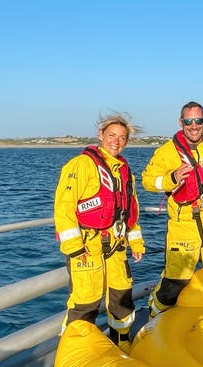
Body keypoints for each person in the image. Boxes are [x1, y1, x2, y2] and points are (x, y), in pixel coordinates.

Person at [54, 113, 145, 352]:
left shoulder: (124, 171)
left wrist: (136, 243)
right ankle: (75, 352)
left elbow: (129, 210)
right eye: (112, 135)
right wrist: (75, 248)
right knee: (85, 303)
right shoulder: (81, 165)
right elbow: (64, 208)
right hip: (87, 249)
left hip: (116, 248)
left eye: (122, 138)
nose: (116, 141)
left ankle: (122, 342)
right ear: (101, 136)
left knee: (121, 298)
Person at [142, 101, 203, 318]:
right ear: (181, 122)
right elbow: (147, 181)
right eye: (188, 121)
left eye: (198, 120)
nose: (194, 126)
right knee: (176, 282)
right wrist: (171, 178)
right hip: (184, 228)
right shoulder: (166, 152)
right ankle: (153, 316)